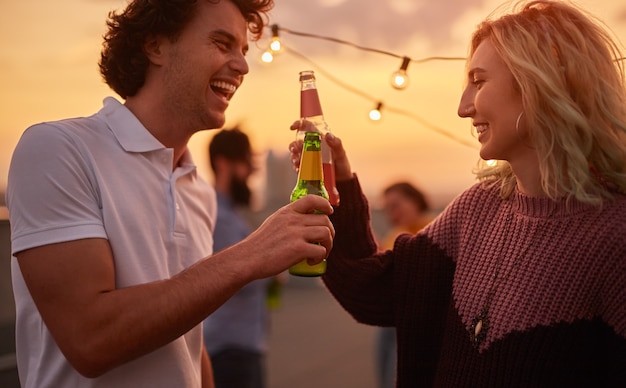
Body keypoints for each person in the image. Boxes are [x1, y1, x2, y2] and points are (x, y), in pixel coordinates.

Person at [290, 1, 626, 386]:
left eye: (479, 82)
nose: (463, 108)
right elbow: (375, 290)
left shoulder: (615, 236)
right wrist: (339, 183)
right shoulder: (478, 208)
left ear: (539, 83)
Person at [6, 1, 335, 387]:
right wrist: (252, 253)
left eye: (243, 51)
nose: (243, 66)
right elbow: (90, 339)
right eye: (222, 43)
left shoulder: (200, 192)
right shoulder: (58, 149)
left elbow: (187, 342)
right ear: (155, 45)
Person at [203, 127, 270, 388]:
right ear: (223, 164)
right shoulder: (220, 217)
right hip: (231, 348)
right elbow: (234, 275)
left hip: (236, 345)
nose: (251, 171)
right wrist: (273, 265)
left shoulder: (230, 212)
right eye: (245, 163)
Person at [376, 182, 434, 388]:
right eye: (387, 210)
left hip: (420, 325)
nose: (392, 215)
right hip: (389, 322)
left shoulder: (436, 232)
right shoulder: (393, 236)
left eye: (396, 206)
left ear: (415, 201)